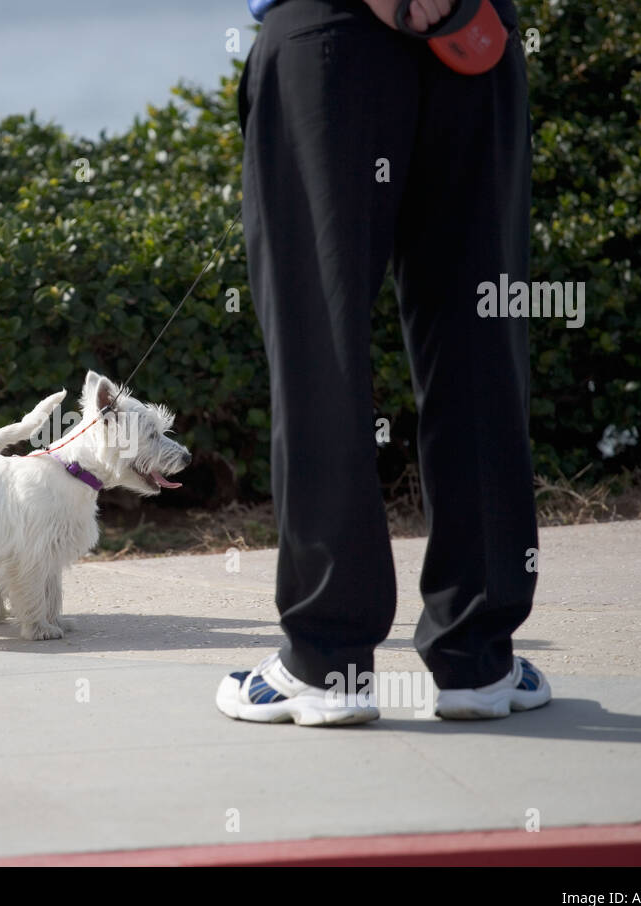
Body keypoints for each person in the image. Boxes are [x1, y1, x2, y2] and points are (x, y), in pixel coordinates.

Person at [217, 0, 553, 725]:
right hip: (469, 35)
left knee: (321, 347)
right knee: (479, 342)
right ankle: (478, 658)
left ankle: (327, 664)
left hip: (333, 39)